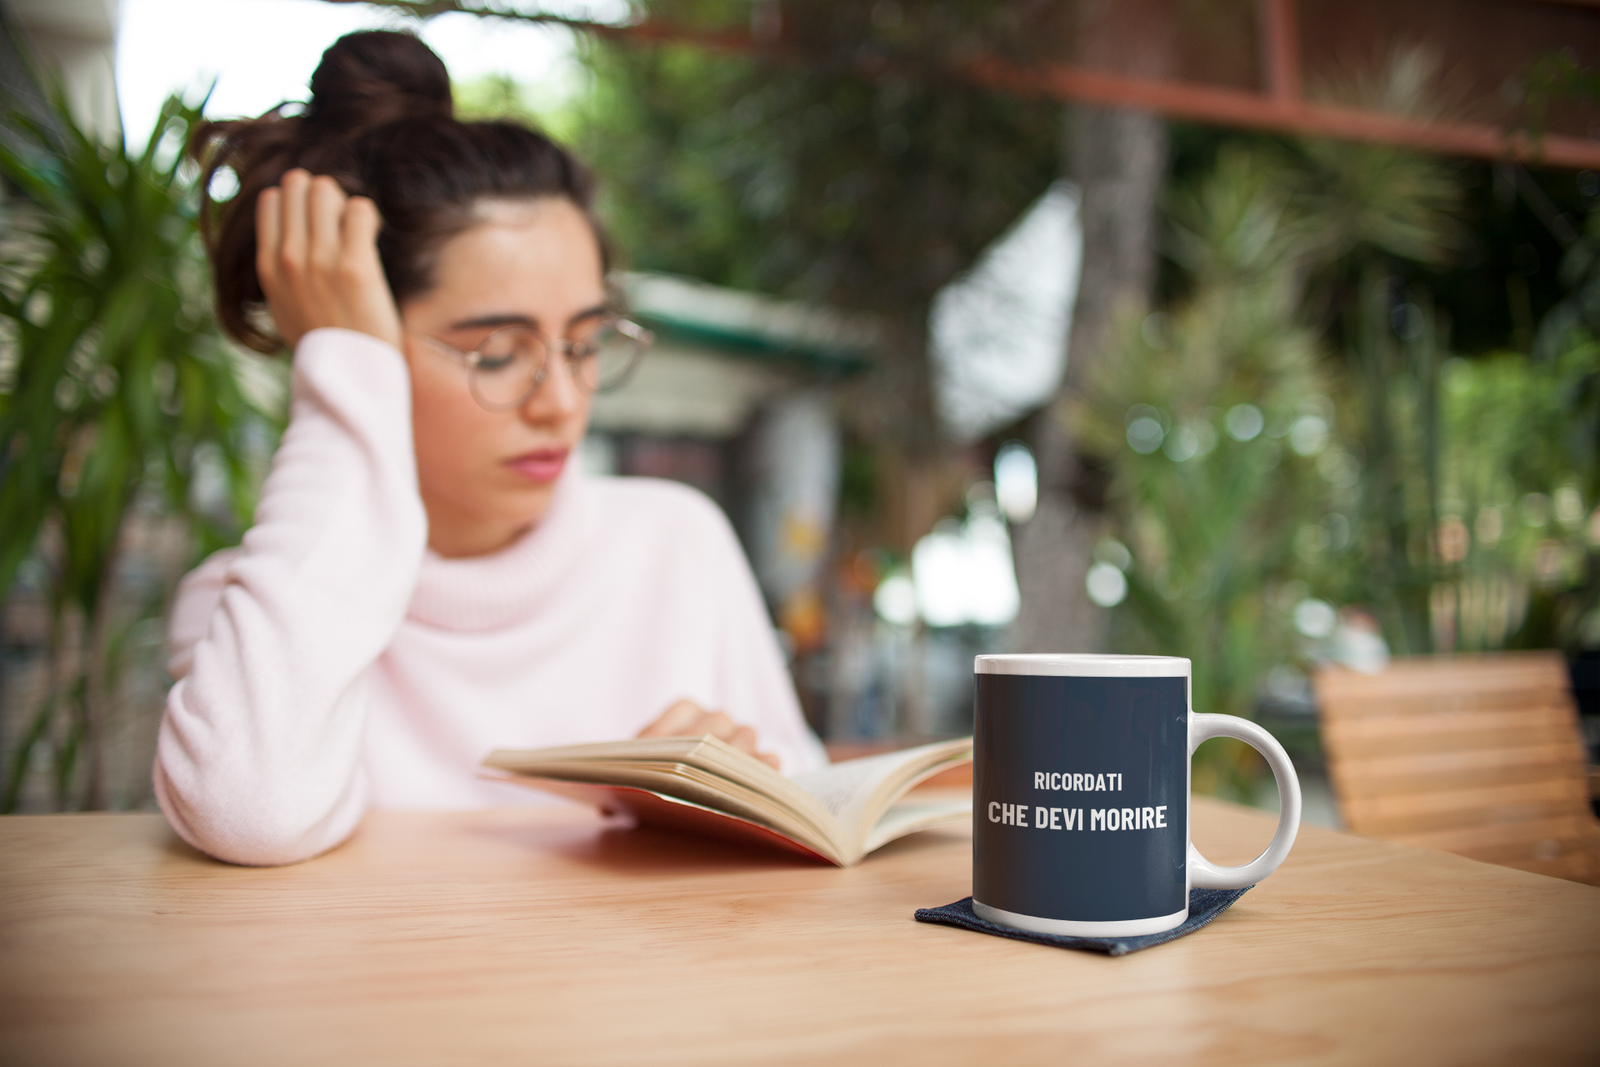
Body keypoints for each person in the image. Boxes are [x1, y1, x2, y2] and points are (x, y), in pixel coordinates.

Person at [155, 29, 826, 867]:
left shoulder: (674, 544)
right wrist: (339, 369)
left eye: (584, 343)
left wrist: (729, 799)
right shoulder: (251, 614)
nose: (560, 402)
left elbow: (812, 809)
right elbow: (248, 811)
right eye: (497, 353)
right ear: (362, 345)